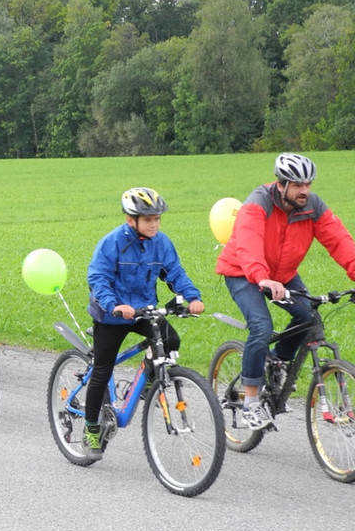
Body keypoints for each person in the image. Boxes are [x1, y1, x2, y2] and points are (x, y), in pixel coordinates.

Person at [215, 153, 355, 431]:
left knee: (308, 317)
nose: (304, 191)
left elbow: (340, 241)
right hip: (243, 271)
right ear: (281, 185)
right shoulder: (258, 203)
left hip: (283, 275)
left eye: (308, 184)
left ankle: (277, 361)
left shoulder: (312, 206)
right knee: (261, 326)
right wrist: (262, 278)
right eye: (297, 185)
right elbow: (248, 242)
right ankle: (250, 401)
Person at [82, 187, 204, 460]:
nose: (154, 224)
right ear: (130, 220)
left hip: (144, 309)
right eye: (148, 219)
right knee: (102, 369)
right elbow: (98, 278)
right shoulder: (112, 242)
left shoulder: (161, 242)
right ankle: (90, 428)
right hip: (112, 314)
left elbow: (175, 272)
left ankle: (150, 381)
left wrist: (193, 297)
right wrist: (114, 305)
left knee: (170, 339)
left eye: (157, 219)